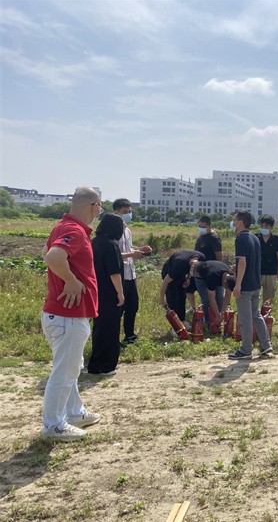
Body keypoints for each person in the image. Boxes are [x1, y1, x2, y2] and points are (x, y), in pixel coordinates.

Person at [40, 187, 102, 441]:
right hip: (67, 315)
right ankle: (54, 425)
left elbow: (47, 253)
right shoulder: (75, 230)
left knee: (71, 367)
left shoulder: (62, 226)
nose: (99, 212)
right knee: (64, 371)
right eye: (99, 208)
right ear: (93, 206)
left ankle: (74, 412)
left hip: (64, 314)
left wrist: (67, 277)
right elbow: (53, 257)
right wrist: (71, 281)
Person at [228, 210, 273, 360]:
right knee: (256, 315)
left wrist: (238, 284)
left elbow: (242, 261)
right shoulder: (254, 238)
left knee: (245, 318)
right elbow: (251, 261)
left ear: (240, 222)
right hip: (255, 283)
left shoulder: (240, 238)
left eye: (234, 220)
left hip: (245, 286)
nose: (233, 222)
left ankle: (246, 349)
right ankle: (266, 345)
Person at [87, 214, 125, 376]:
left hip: (95, 290)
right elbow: (114, 272)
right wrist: (120, 293)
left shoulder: (94, 242)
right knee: (110, 329)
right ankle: (107, 365)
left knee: (99, 328)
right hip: (109, 293)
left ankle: (95, 363)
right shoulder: (111, 245)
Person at [112, 198, 152, 344]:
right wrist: (131, 254)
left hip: (131, 274)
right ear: (116, 211)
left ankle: (129, 335)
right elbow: (112, 254)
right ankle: (113, 337)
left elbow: (127, 251)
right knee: (118, 308)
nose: (128, 214)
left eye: (130, 211)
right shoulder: (114, 231)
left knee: (132, 306)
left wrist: (140, 251)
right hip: (119, 274)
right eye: (125, 212)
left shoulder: (127, 230)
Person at [159, 250, 205, 324]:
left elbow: (191, 272)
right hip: (169, 270)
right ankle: (176, 326)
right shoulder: (179, 265)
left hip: (183, 270)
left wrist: (188, 278)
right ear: (192, 267)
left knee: (182, 296)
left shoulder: (201, 258)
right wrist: (162, 299)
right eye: (195, 275)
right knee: (174, 298)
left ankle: (182, 320)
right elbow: (165, 282)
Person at [194, 215, 223, 327]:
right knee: (205, 300)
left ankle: (218, 320)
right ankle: (208, 321)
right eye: (199, 226)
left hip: (213, 274)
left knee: (218, 298)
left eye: (203, 226)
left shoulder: (214, 238)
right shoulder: (200, 238)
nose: (200, 228)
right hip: (200, 274)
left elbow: (219, 257)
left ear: (210, 226)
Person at [192, 260, 233, 327]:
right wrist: (217, 315)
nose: (225, 288)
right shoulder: (212, 277)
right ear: (224, 281)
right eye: (225, 287)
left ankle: (217, 321)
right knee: (206, 300)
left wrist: (222, 313)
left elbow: (227, 295)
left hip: (217, 275)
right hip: (201, 278)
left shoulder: (231, 277)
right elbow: (212, 298)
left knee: (219, 299)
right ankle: (208, 322)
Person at [256, 214, 278, 303]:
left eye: (266, 226)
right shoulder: (255, 238)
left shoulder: (277, 239)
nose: (264, 228)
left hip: (271, 271)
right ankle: (255, 314)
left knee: (269, 297)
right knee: (255, 295)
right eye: (262, 225)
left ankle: (266, 315)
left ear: (271, 227)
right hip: (257, 270)